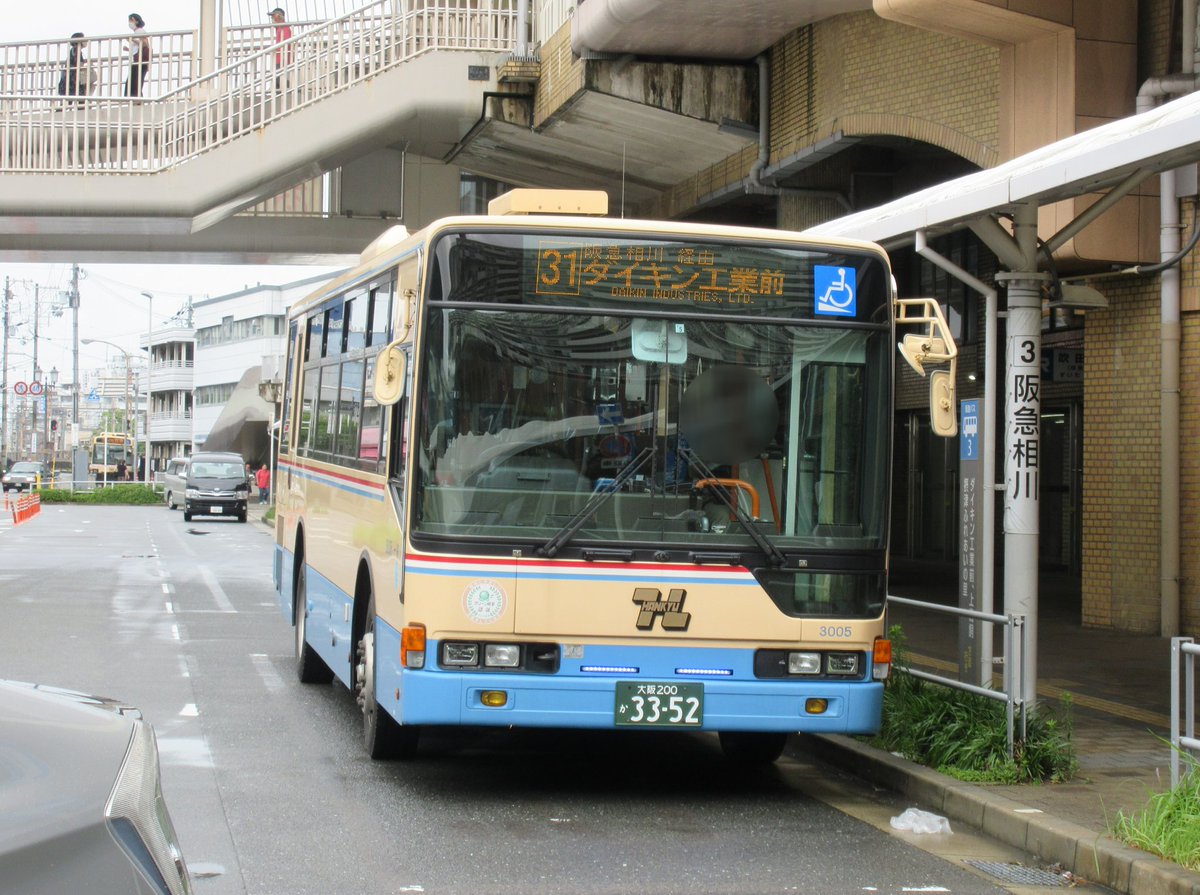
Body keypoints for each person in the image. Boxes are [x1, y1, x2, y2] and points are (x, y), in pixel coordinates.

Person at [58, 33, 92, 100]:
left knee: (68, 102)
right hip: (73, 81)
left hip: (70, 80)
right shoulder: (76, 50)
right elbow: (78, 64)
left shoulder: (74, 50)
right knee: (79, 99)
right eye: (84, 39)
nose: (86, 41)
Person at [124, 13, 150, 98]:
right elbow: (137, 47)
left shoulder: (140, 31)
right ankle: (135, 98)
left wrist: (132, 40)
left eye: (131, 20)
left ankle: (136, 99)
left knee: (135, 81)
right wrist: (128, 49)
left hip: (140, 60)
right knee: (135, 81)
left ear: (136, 21)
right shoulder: (137, 32)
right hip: (137, 59)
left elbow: (145, 44)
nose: (130, 22)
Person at [269, 8, 293, 96]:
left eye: (273, 16)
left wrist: (278, 49)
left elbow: (287, 41)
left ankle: (288, 90)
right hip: (280, 56)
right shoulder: (280, 28)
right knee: (277, 77)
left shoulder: (284, 27)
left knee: (278, 78)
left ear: (279, 16)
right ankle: (283, 91)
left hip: (283, 56)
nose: (272, 19)